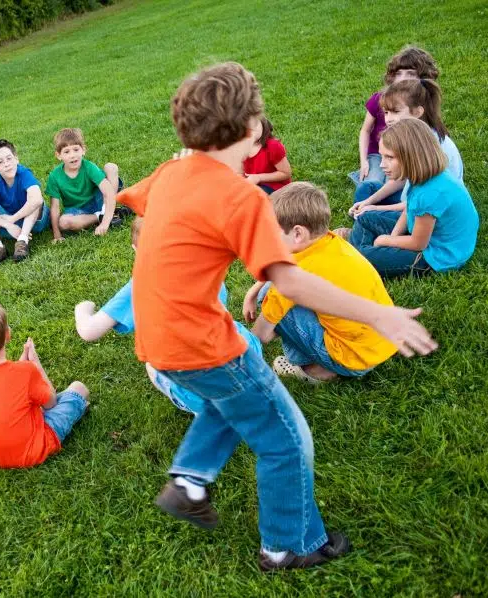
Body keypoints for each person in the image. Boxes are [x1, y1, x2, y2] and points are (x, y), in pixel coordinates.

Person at [117, 62, 437, 570]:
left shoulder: (170, 173)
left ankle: (190, 479)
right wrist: (381, 313)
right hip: (203, 343)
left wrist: (183, 169)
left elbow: (128, 199)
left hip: (157, 342)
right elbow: (290, 280)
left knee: (238, 388)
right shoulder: (239, 196)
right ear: (251, 130)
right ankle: (288, 544)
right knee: (285, 439)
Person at [74, 217, 262, 414]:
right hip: (249, 359)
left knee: (153, 365)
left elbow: (89, 331)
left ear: (137, 250)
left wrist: (83, 309)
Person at [242, 183, 397, 383]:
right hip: (383, 342)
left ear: (298, 233)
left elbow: (259, 336)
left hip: (352, 359)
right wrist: (252, 291)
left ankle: (313, 369)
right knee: (266, 292)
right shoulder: (330, 241)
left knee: (270, 299)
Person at [0, 297, 89, 468]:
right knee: (79, 388)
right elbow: (51, 403)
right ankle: (77, 410)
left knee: (28, 404)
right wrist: (35, 364)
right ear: (7, 334)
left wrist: (23, 367)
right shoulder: (25, 372)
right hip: (33, 450)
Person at [344, 119, 479, 277]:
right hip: (426, 234)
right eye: (382, 157)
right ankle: (356, 250)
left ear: (412, 157)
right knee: (364, 217)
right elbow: (409, 210)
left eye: (389, 157)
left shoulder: (431, 193)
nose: (381, 165)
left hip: (438, 254)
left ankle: (354, 255)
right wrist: (393, 238)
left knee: (364, 257)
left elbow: (418, 243)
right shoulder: (423, 177)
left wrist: (385, 241)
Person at [350, 78, 463, 217]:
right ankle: (361, 222)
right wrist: (368, 202)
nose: (388, 119)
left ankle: (359, 231)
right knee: (366, 189)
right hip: (410, 199)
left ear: (417, 112)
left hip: (431, 216)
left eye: (395, 112)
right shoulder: (412, 136)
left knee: (370, 217)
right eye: (386, 113)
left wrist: (374, 209)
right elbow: (401, 181)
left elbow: (420, 203)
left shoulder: (425, 146)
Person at [350, 46, 439, 207]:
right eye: (398, 73)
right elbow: (365, 130)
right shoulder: (381, 99)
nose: (403, 78)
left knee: (394, 185)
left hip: (403, 159)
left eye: (410, 73)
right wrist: (364, 162)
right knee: (372, 184)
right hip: (379, 154)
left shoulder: (421, 117)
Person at [0, 140, 50, 267]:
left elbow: (37, 199)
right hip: (9, 226)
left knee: (35, 199)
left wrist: (11, 219)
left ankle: (23, 241)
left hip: (34, 222)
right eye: (0, 162)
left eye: (9, 158)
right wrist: (7, 224)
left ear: (16, 159)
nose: (6, 164)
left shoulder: (24, 173)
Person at [45, 127, 124, 241]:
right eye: (66, 151)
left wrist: (105, 224)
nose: (73, 155)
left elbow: (108, 192)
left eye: (76, 150)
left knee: (111, 167)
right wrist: (57, 235)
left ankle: (108, 211)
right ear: (58, 155)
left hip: (98, 199)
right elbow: (55, 208)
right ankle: (99, 216)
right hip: (78, 209)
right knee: (63, 222)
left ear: (83, 150)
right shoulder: (54, 176)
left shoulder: (88, 167)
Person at [242, 117, 291, 194]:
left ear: (263, 123)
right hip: (250, 184)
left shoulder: (273, 146)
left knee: (252, 196)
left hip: (275, 187)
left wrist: (258, 178)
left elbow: (286, 173)